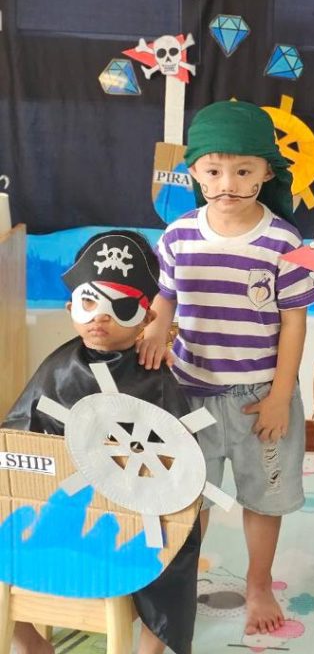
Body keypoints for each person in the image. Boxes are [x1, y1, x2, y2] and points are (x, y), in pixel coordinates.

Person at [137, 99, 314, 637]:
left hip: (258, 395)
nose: (228, 184)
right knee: (187, 495)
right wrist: (155, 327)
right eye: (214, 170)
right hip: (189, 394)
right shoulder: (178, 235)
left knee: (264, 497)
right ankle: (180, 584)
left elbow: (294, 322)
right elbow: (167, 296)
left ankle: (259, 583)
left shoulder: (283, 241)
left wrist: (280, 396)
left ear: (267, 172)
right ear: (194, 171)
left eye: (244, 171)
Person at [3, 230, 201, 654]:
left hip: (135, 516)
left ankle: (149, 648)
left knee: (180, 541)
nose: (100, 318)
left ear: (146, 317)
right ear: (70, 307)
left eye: (121, 307)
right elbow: (16, 441)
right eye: (89, 302)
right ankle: (31, 642)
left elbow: (182, 466)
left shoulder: (155, 377)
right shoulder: (57, 368)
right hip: (57, 506)